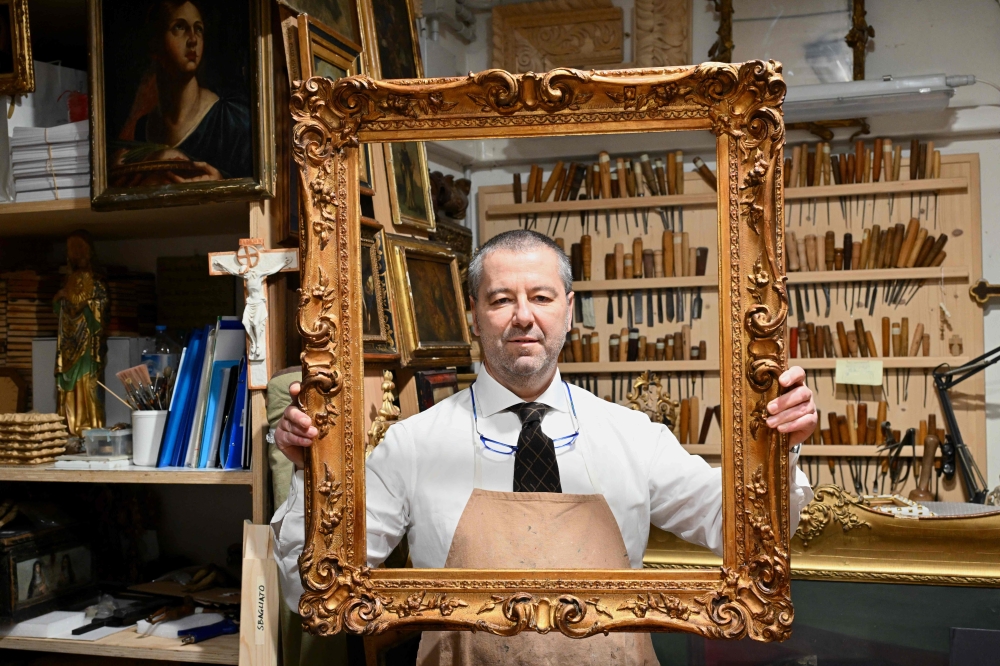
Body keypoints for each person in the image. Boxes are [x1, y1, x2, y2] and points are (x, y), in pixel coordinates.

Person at [271, 230, 817, 665]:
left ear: (569, 310)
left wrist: (777, 449)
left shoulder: (634, 437)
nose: (523, 316)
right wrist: (308, 477)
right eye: (501, 299)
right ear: (473, 314)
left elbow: (743, 531)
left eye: (541, 297)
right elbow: (312, 590)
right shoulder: (411, 446)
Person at [112, 0, 252, 186]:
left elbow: (257, 194)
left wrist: (220, 183)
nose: (193, 39)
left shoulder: (233, 118)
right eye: (179, 27)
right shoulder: (144, 127)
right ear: (155, 45)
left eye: (199, 29)